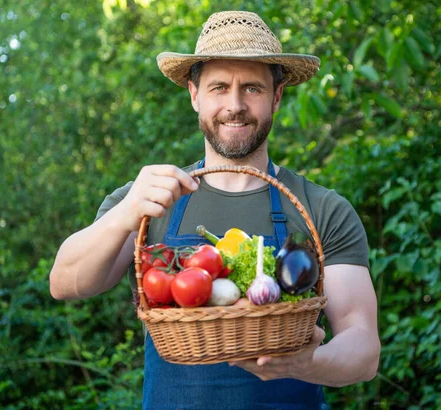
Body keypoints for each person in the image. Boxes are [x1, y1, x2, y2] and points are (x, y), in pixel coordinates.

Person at [49, 10, 380, 410]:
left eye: (253, 89)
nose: (235, 105)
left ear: (277, 96)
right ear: (194, 95)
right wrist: (125, 214)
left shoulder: (322, 209)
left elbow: (363, 350)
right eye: (220, 87)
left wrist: (301, 364)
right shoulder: (149, 199)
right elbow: (65, 283)